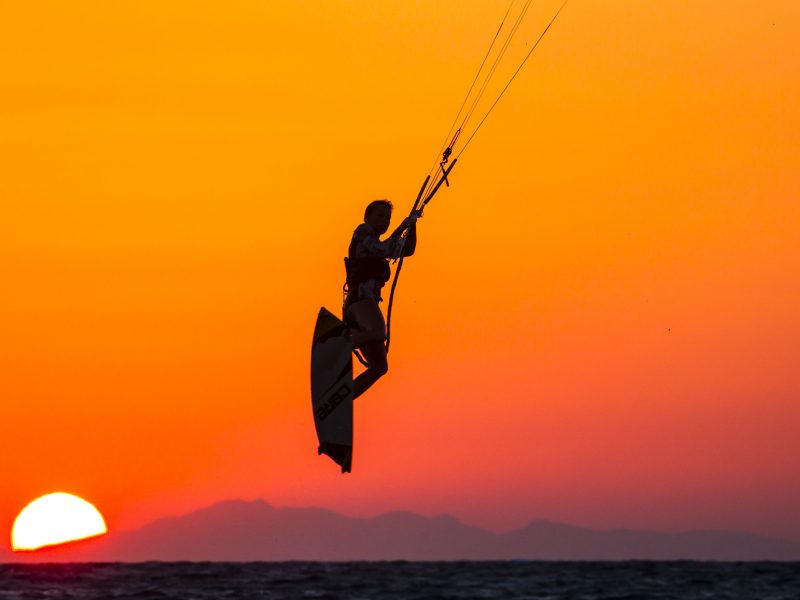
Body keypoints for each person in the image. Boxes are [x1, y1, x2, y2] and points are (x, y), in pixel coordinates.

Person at [343, 199, 417, 399]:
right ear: (368, 217)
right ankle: (341, 345)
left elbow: (406, 251)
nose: (385, 221)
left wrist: (413, 226)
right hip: (359, 302)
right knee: (378, 332)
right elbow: (383, 250)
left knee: (379, 367)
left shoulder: (378, 241)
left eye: (388, 218)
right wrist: (401, 227)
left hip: (366, 306)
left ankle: (342, 399)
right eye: (380, 216)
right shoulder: (362, 231)